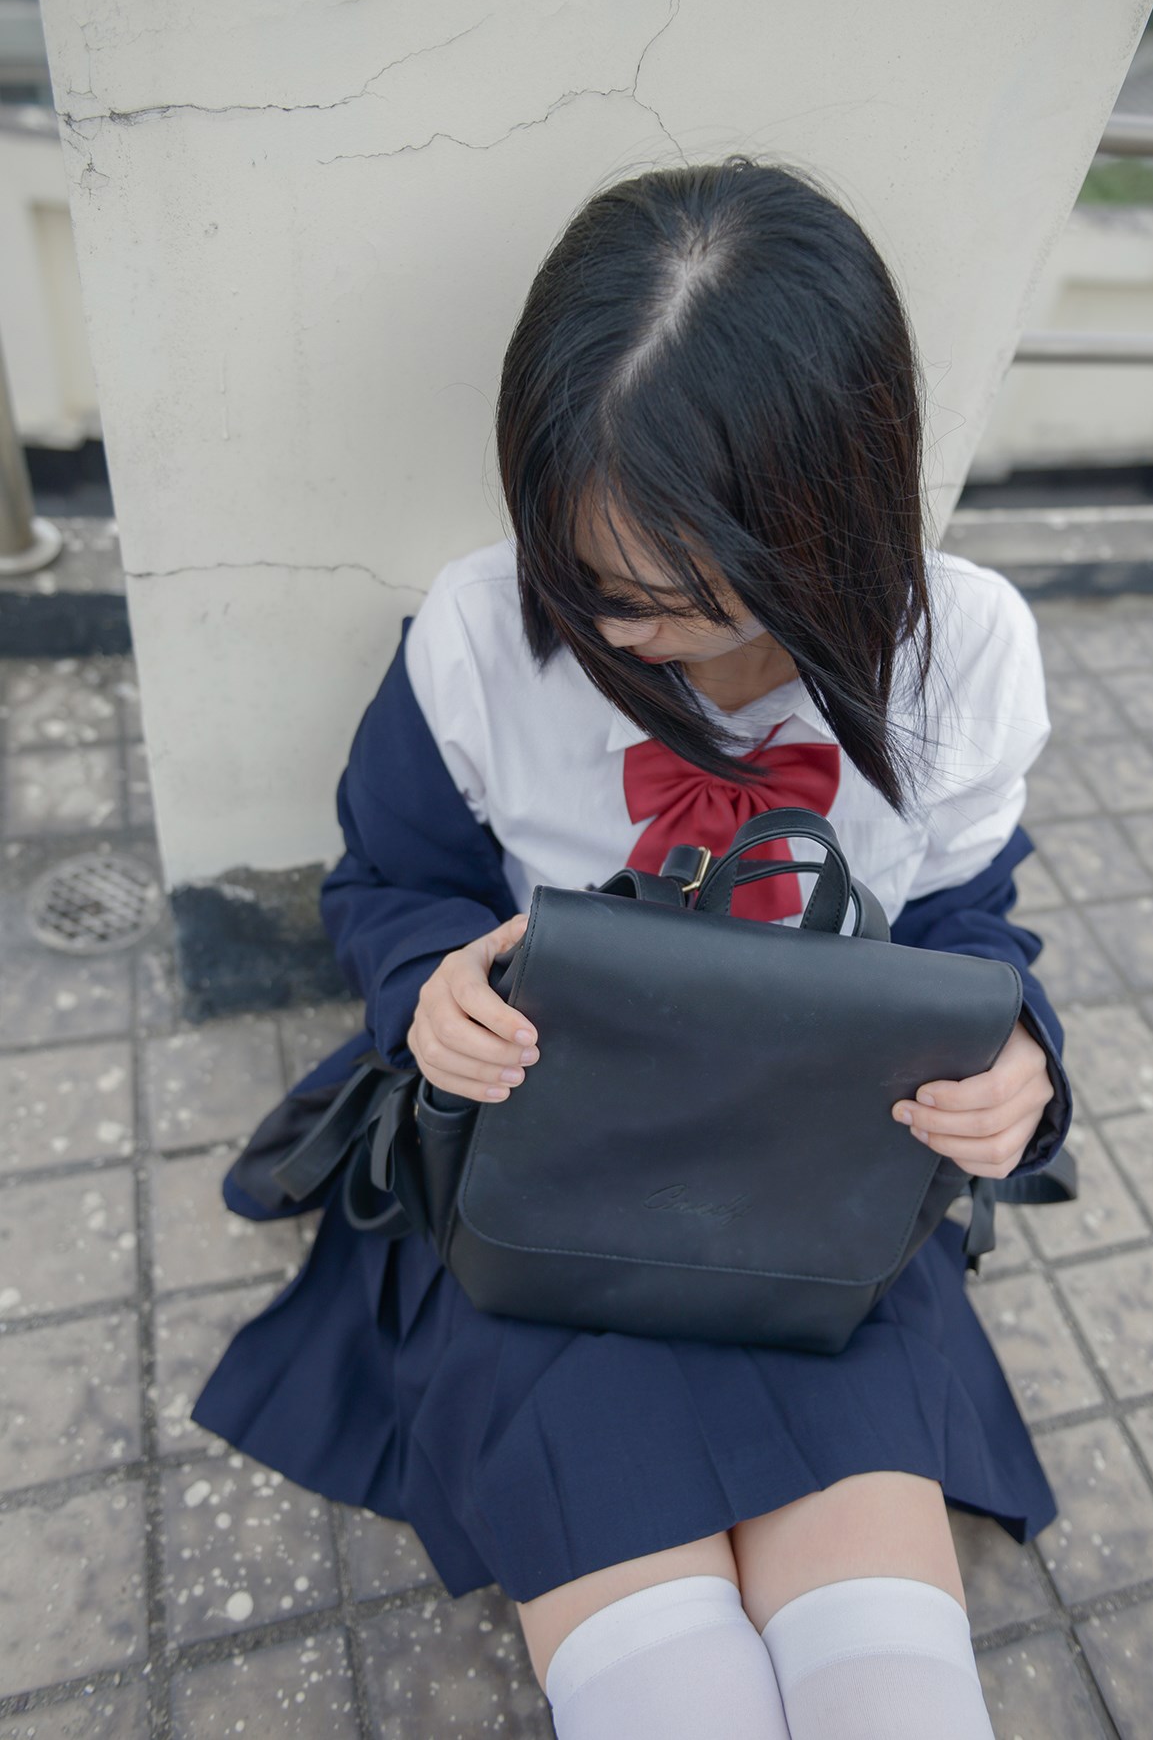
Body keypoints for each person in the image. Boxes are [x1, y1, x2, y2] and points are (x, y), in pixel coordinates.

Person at [193, 155, 1073, 1739]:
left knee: (892, 1691)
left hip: (817, 1191)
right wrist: (432, 988)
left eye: (690, 589)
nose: (624, 635)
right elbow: (391, 881)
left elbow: (963, 918)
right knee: (670, 1685)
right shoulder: (477, 636)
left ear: (834, 509)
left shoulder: (968, 655)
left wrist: (1014, 1058)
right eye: (589, 580)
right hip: (546, 1173)